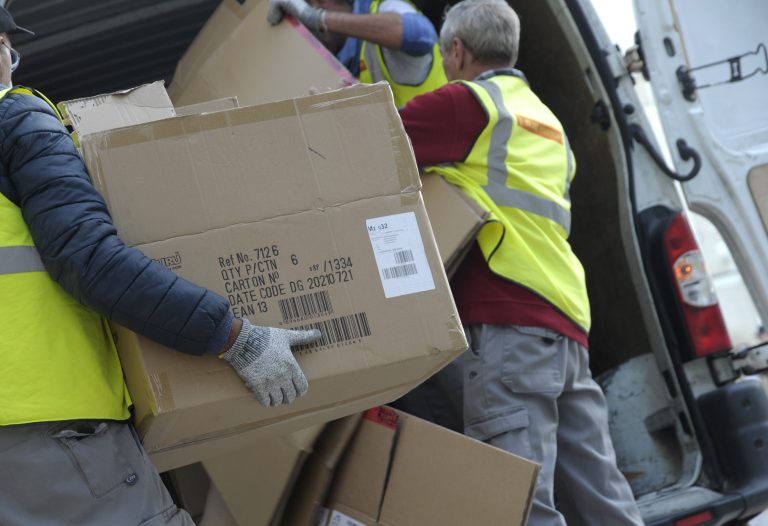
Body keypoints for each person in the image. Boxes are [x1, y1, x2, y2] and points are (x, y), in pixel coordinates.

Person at [0, 7, 320, 525]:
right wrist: (235, 336)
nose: (12, 59)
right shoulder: (16, 120)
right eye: (4, 45)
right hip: (51, 438)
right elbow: (89, 261)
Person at [396, 1, 644, 524]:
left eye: (445, 55)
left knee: (518, 503)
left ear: (458, 51)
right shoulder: (547, 121)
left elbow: (368, 137)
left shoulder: (469, 104)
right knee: (604, 501)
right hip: (566, 327)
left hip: (511, 328)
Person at [266, 0, 446, 107]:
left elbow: (419, 35)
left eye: (300, 24)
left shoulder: (385, 9)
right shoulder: (337, 64)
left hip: (440, 166)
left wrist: (315, 18)